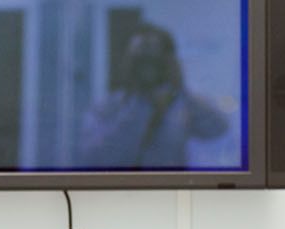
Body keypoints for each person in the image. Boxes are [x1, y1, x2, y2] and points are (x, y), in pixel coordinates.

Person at [76, 25, 230, 169]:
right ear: (128, 62)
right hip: (120, 194)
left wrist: (181, 89)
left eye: (154, 60)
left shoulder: (181, 104)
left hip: (172, 193)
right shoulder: (109, 106)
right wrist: (138, 109)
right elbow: (93, 157)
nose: (147, 68)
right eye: (140, 59)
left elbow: (218, 128)